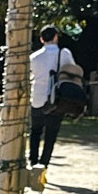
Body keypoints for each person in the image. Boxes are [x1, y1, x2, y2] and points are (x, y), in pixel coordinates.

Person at [28, 24, 79, 168]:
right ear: (56, 37)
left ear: (41, 39)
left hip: (37, 97)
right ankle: (44, 163)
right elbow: (73, 71)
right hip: (57, 98)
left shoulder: (34, 57)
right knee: (51, 133)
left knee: (35, 131)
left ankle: (33, 161)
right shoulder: (64, 53)